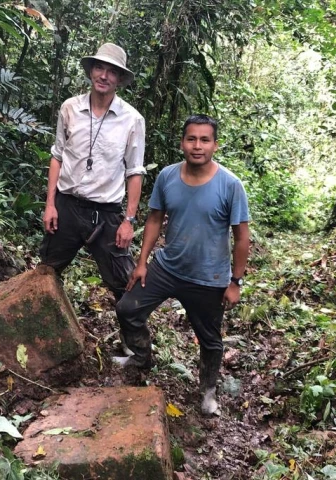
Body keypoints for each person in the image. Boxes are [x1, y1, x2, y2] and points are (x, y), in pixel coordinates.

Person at [113, 114, 250, 416]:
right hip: (167, 267)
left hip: (209, 278)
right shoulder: (168, 176)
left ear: (215, 145)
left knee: (210, 339)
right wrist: (142, 262)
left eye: (204, 140)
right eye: (191, 139)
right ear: (182, 143)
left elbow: (242, 238)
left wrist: (235, 282)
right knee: (127, 309)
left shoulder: (230, 185)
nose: (197, 146)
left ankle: (209, 391)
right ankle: (141, 357)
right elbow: (154, 219)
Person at [40, 43, 145, 301]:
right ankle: (33, 333)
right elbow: (58, 156)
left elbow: (135, 172)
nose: (104, 76)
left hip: (106, 213)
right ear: (90, 71)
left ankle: (134, 341)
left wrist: (128, 221)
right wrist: (50, 205)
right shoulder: (70, 109)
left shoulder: (132, 119)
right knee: (45, 273)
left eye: (112, 71)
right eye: (99, 67)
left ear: (119, 79)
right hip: (67, 207)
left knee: (124, 284)